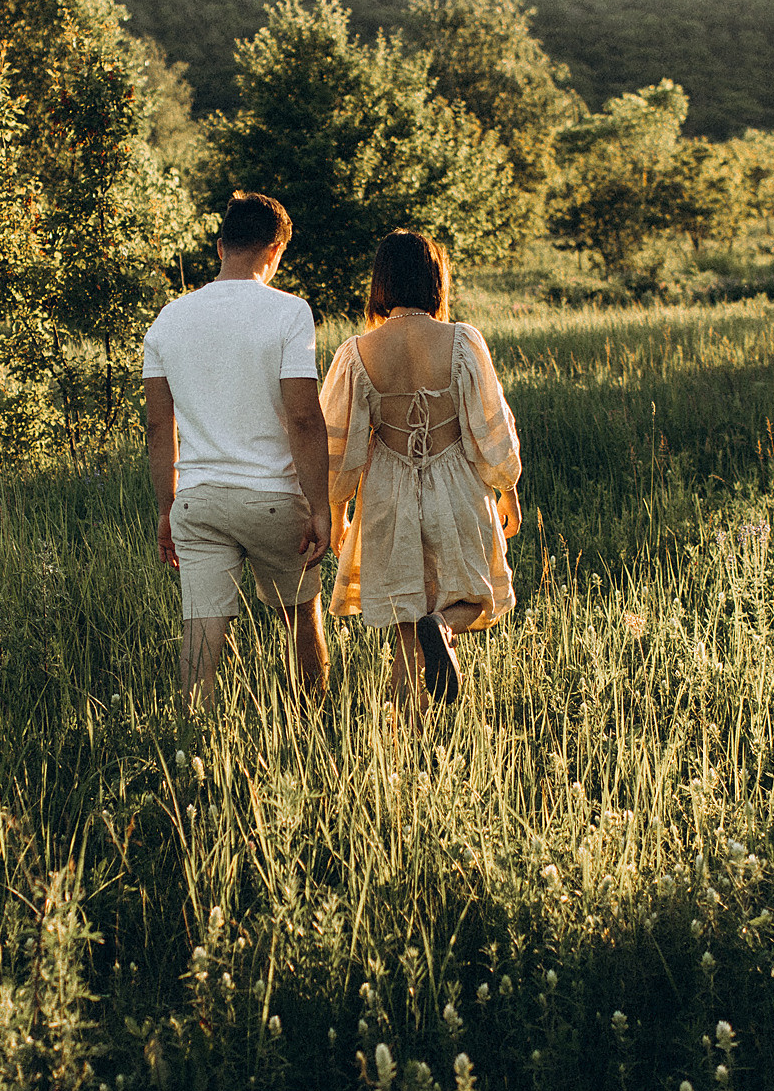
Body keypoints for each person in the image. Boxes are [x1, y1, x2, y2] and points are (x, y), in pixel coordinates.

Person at [142, 192, 332, 709]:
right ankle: (314, 727)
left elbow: (160, 428)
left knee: (200, 638)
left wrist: (167, 508)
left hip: (199, 503)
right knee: (300, 618)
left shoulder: (167, 320)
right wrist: (320, 507)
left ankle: (191, 745)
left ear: (222, 245)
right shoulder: (290, 313)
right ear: (275, 250)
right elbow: (303, 417)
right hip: (272, 499)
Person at [319, 230, 520, 712]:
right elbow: (491, 425)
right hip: (455, 484)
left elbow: (338, 443)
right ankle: (446, 627)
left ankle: (403, 738)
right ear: (435, 279)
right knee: (480, 597)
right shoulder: (463, 341)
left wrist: (337, 508)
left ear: (381, 282)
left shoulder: (357, 352)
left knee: (405, 621)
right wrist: (507, 488)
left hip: (388, 489)